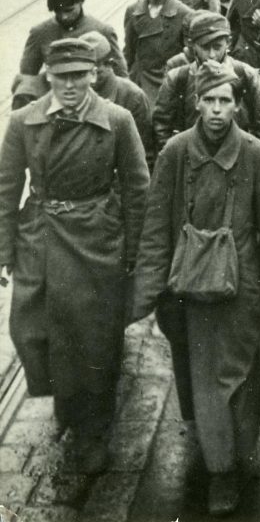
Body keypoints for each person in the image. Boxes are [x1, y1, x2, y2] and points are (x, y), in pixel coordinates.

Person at [131, 60, 260, 517]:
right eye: (210, 100)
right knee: (208, 381)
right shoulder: (176, 154)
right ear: (196, 102)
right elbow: (157, 225)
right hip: (190, 291)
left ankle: (238, 455)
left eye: (226, 101)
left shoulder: (256, 154)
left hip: (242, 290)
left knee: (238, 374)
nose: (218, 110)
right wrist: (148, 292)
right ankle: (223, 471)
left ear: (238, 105)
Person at [0, 38, 149, 473]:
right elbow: (7, 189)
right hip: (42, 237)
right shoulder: (22, 122)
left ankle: (93, 430)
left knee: (96, 336)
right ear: (47, 75)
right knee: (36, 331)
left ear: (93, 75)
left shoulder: (117, 120)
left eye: (78, 76)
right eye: (61, 76)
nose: (70, 85)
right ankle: (67, 404)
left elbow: (138, 189)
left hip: (98, 239)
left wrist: (135, 252)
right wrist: (5, 250)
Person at [153, 11, 260, 153]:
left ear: (228, 43)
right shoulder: (177, 79)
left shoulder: (246, 75)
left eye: (217, 47)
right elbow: (161, 129)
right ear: (193, 45)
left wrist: (259, 164)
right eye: (205, 47)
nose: (212, 55)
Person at [19, 0, 127, 80]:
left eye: (69, 10)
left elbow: (122, 77)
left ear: (81, 1)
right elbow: (27, 78)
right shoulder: (39, 33)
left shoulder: (103, 31)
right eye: (58, 11)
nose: (64, 17)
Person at [124, 0, 193, 107]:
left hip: (169, 80)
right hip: (140, 80)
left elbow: (188, 55)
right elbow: (128, 51)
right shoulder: (133, 11)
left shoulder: (183, 13)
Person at [84, 30, 154, 167]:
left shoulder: (132, 96)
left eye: (95, 69)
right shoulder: (78, 95)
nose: (89, 76)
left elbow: (144, 154)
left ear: (109, 64)